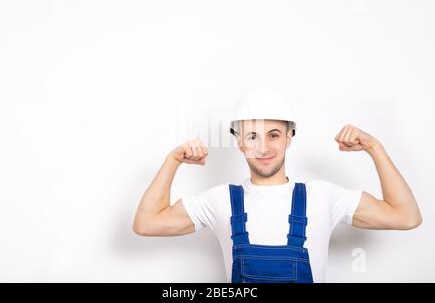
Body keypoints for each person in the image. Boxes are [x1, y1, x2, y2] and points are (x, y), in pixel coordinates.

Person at [133, 89, 422, 283]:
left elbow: (406, 216)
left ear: (289, 138)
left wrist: (375, 148)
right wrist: (172, 161)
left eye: (273, 135)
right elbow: (146, 223)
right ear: (239, 142)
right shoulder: (219, 200)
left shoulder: (322, 197)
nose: (263, 147)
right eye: (252, 137)